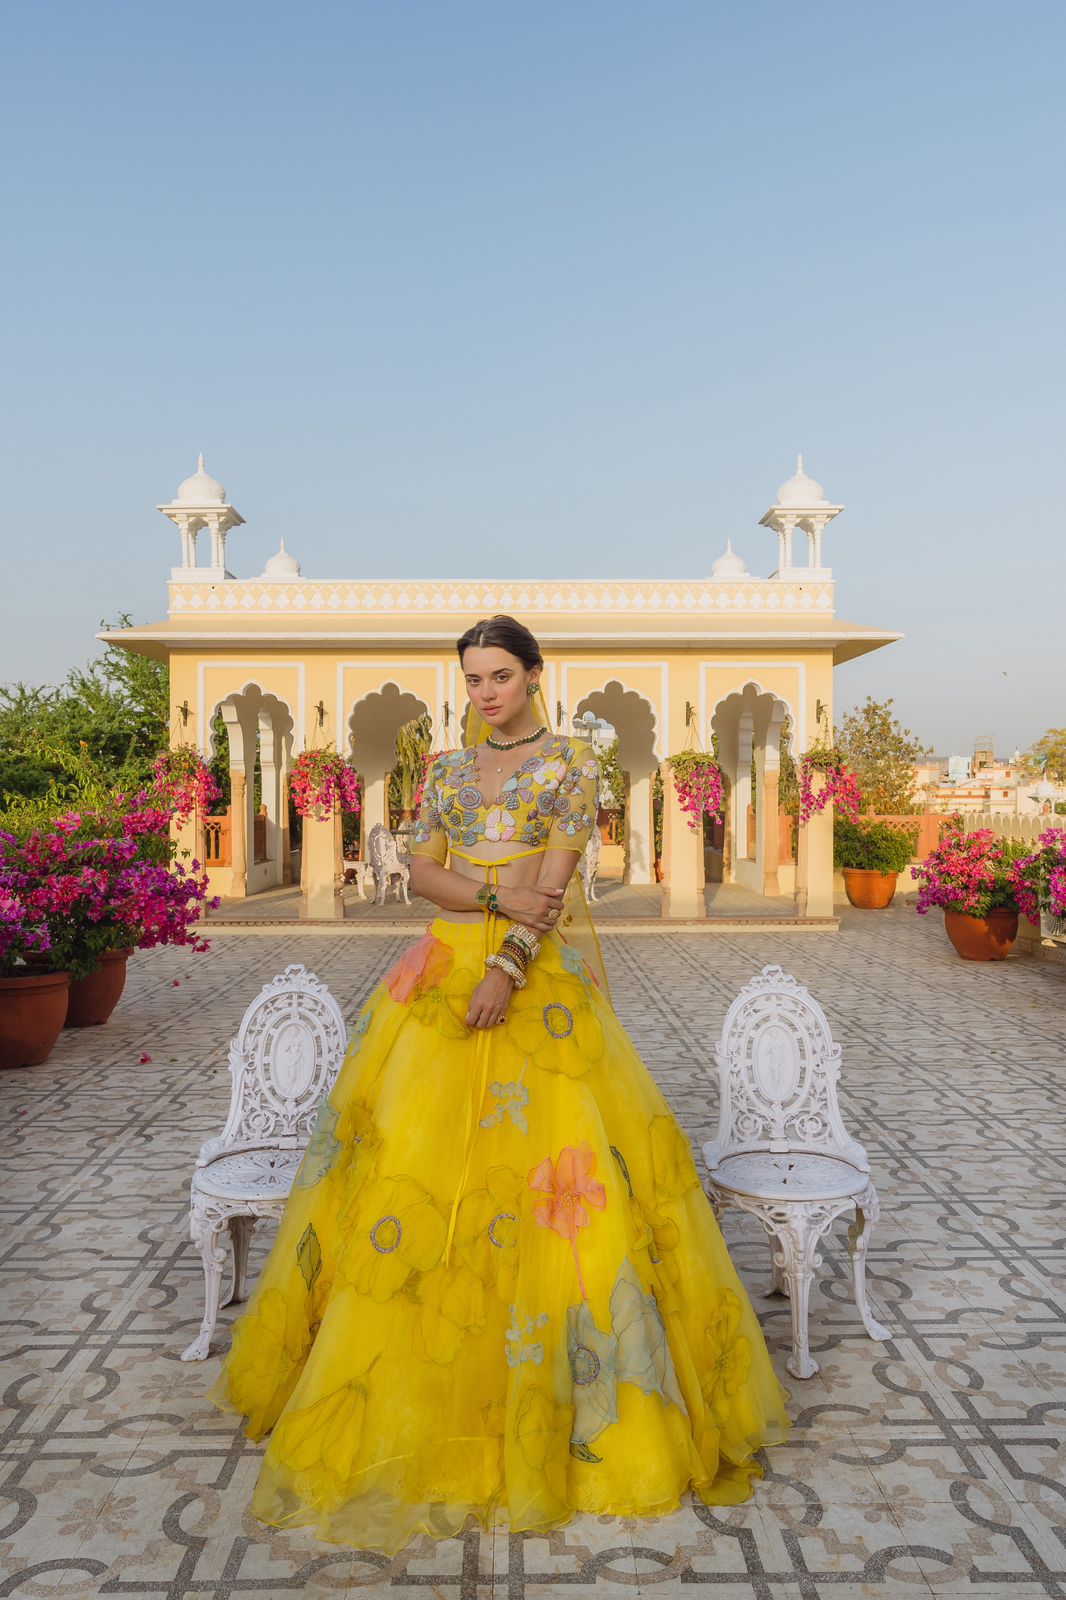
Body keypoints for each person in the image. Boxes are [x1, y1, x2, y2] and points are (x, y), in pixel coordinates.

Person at [208, 614, 789, 1554]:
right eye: (473, 679)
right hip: (435, 978)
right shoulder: (439, 770)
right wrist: (488, 900)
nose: (485, 693)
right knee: (413, 1179)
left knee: (553, 1191)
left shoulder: (569, 765)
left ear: (533, 675)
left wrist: (506, 964)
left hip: (528, 991)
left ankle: (571, 1403)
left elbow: (553, 891)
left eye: (500, 677)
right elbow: (421, 874)